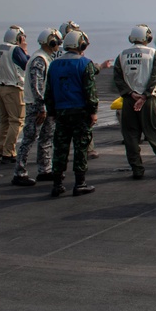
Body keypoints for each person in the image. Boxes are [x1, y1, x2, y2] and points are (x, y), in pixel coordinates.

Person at [113, 24, 156, 180]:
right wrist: (144, 96)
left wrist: (131, 94)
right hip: (149, 100)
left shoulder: (122, 55)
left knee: (130, 135)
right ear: (147, 38)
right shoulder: (153, 53)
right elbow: (155, 77)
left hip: (128, 100)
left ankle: (137, 169)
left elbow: (118, 79)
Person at [46, 30, 98, 197]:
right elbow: (90, 91)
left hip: (61, 112)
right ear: (81, 44)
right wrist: (93, 112)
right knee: (81, 148)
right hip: (80, 112)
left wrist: (52, 111)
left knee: (60, 148)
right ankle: (80, 183)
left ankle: (57, 184)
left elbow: (49, 91)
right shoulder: (84, 63)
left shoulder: (54, 64)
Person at [11, 28, 61, 186]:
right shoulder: (39, 59)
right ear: (50, 42)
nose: (58, 45)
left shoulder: (45, 57)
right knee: (29, 138)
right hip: (37, 106)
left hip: (44, 105)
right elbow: (37, 85)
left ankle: (45, 170)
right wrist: (42, 107)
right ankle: (19, 172)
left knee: (46, 138)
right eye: (57, 42)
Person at [0, 25, 29, 163]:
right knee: (17, 121)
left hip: (0, 87)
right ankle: (9, 152)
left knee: (4, 121)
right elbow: (27, 64)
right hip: (13, 88)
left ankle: (0, 150)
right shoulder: (15, 50)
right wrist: (24, 50)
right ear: (19, 38)